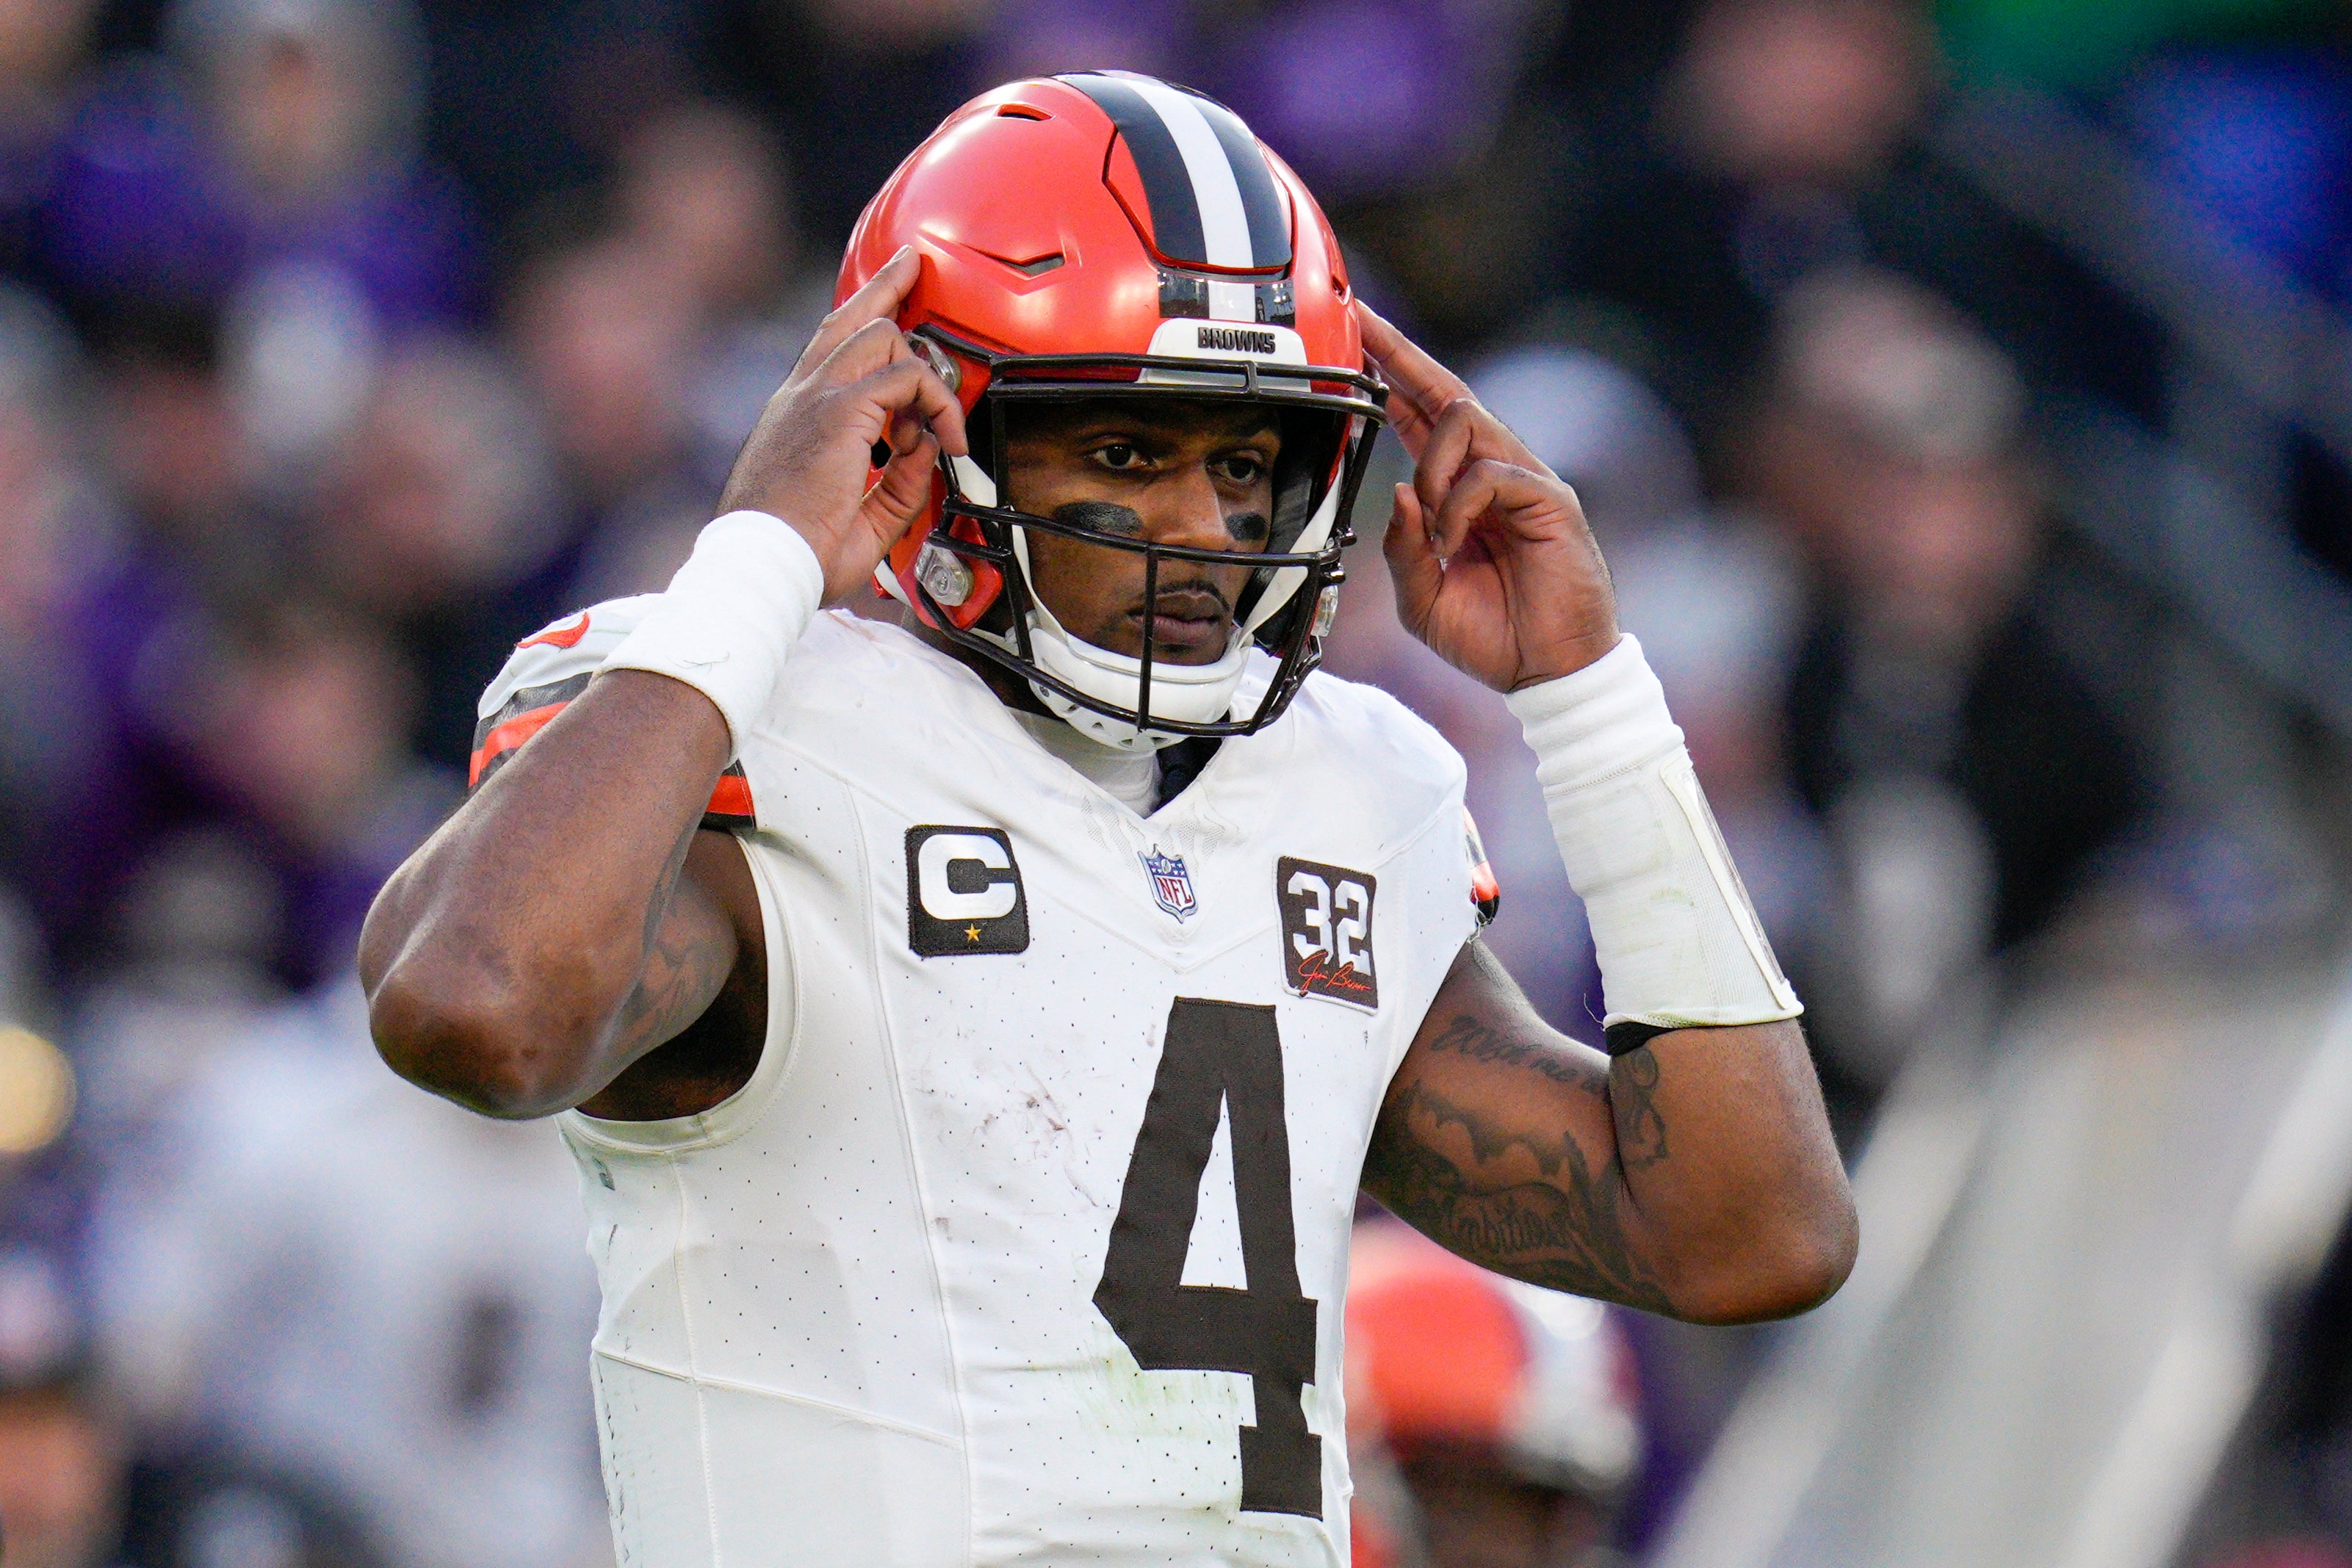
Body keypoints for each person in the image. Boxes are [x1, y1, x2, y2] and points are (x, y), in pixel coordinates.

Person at [362, 73, 1856, 1564]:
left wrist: (1590, 704)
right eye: (1129, 454)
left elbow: (1744, 1234)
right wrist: (752, 565)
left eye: (1246, 461)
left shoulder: (1344, 788)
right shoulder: (734, 714)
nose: (1207, 527)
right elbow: (475, 1013)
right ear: (909, 431)